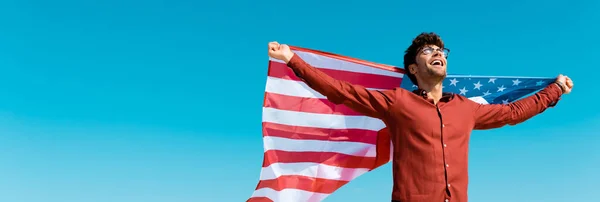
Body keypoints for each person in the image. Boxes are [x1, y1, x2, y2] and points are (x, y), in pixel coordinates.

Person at [267, 32, 573, 202]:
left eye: (441, 49)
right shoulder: (397, 102)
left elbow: (512, 112)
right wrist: (293, 60)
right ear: (413, 68)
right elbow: (341, 91)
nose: (438, 52)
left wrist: (555, 90)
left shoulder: (466, 108)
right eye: (428, 50)